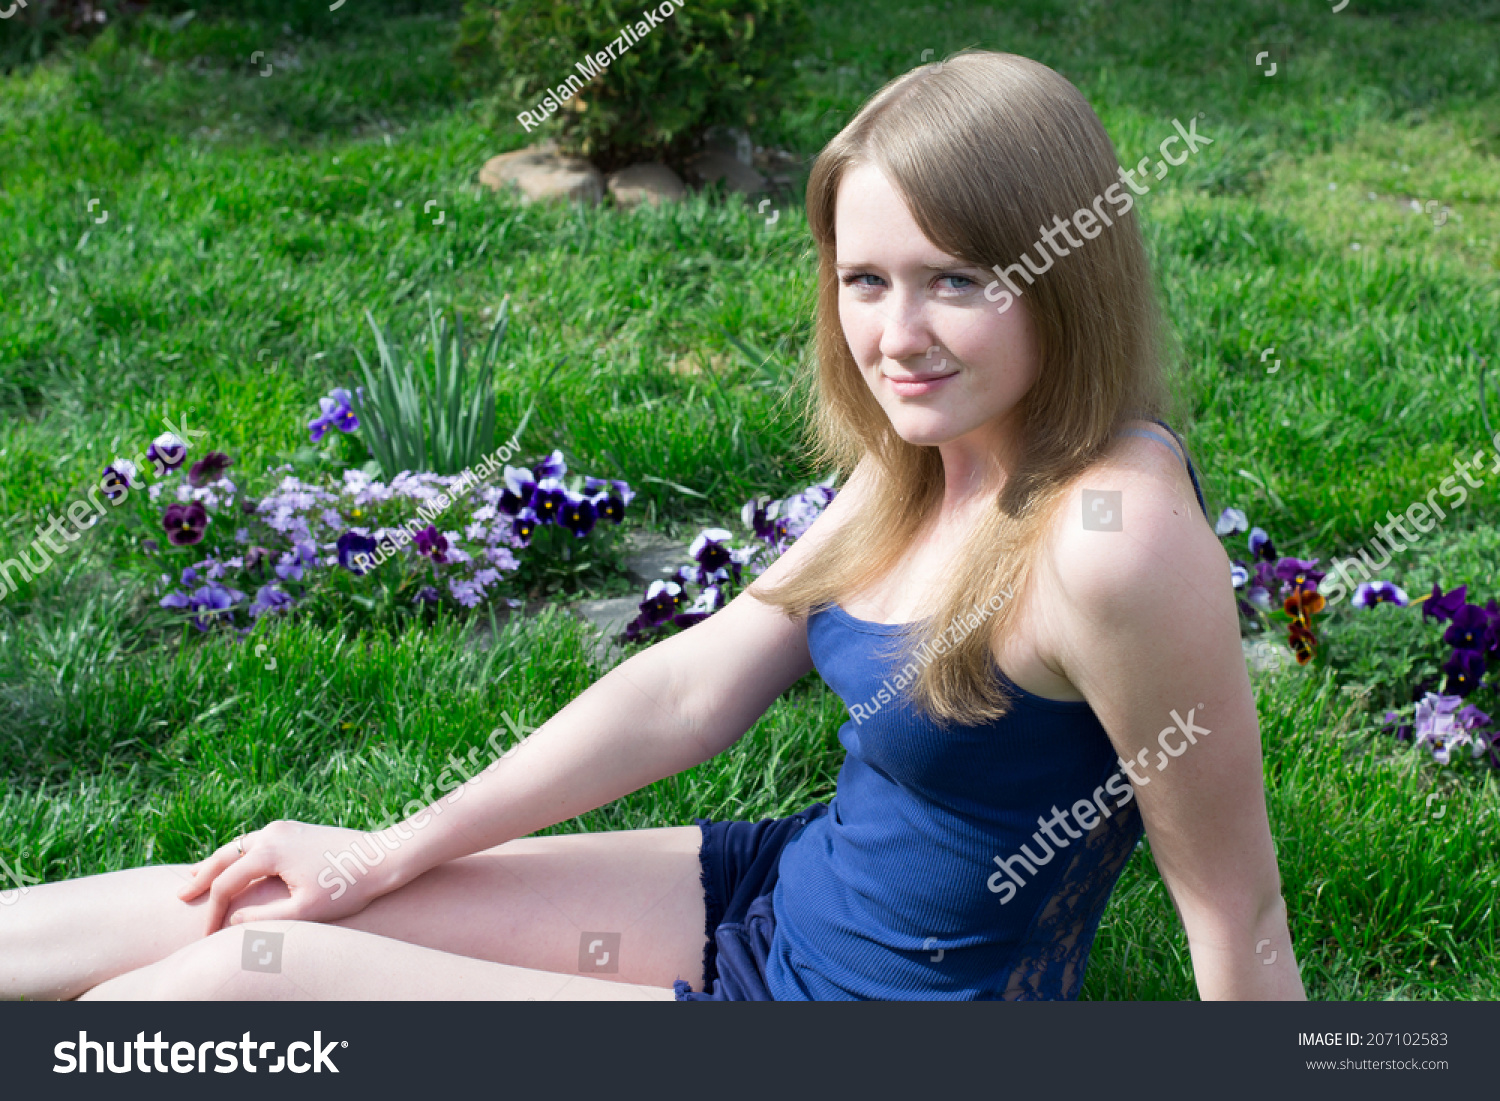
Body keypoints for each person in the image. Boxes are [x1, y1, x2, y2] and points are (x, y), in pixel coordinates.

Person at [1, 50, 1303, 1002]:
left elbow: (1237, 921)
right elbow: (693, 687)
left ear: (1060, 277)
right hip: (777, 896)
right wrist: (383, 851)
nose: (895, 337)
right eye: (865, 279)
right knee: (259, 901)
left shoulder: (1111, 539)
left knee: (235, 984)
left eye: (955, 281)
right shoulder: (936, 450)